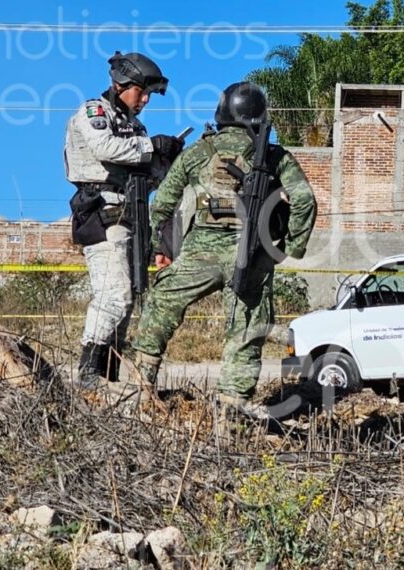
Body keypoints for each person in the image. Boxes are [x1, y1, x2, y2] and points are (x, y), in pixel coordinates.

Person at [124, 81, 316, 416]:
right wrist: (289, 247)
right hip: (253, 254)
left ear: (222, 114)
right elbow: (305, 201)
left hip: (200, 253)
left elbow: (163, 204)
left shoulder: (198, 151)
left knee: (161, 306)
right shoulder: (275, 156)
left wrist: (160, 248)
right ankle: (232, 409)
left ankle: (140, 388)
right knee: (247, 329)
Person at [65, 51, 184, 388]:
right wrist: (151, 146)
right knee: (114, 296)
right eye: (141, 92)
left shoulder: (135, 126)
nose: (145, 100)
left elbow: (150, 174)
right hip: (102, 212)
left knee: (128, 300)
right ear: (120, 84)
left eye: (149, 94)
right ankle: (87, 374)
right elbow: (106, 148)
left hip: (132, 214)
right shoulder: (94, 111)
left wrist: (169, 158)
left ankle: (109, 375)